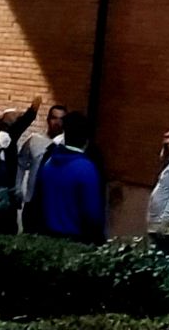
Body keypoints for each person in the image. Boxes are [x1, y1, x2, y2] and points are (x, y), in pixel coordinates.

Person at [31, 112, 104, 242]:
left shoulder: (49, 162)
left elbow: (38, 197)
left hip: (47, 235)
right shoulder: (86, 168)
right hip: (74, 238)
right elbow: (92, 212)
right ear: (87, 141)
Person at [17, 103, 65, 227]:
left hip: (53, 202)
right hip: (32, 199)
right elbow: (21, 164)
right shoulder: (35, 140)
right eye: (54, 118)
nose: (57, 122)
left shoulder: (65, 146)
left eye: (62, 119)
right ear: (48, 119)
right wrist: (18, 188)